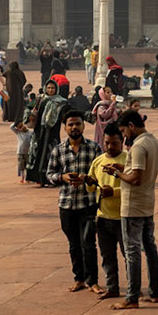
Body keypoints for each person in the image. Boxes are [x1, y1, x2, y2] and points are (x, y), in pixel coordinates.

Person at [109, 109, 158, 307]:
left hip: (133, 204)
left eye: (124, 131)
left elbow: (136, 178)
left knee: (132, 251)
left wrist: (118, 175)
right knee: (150, 247)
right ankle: (154, 291)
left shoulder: (139, 146)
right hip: (147, 202)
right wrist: (123, 170)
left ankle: (132, 297)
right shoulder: (154, 142)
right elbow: (140, 171)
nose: (123, 136)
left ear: (131, 126)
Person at [47, 112, 103, 293]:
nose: (74, 128)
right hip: (67, 204)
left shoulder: (94, 148)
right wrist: (61, 177)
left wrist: (86, 179)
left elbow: (101, 175)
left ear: (83, 126)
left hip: (88, 204)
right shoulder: (58, 150)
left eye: (77, 124)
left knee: (88, 243)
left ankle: (92, 281)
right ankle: (79, 278)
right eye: (70, 124)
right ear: (64, 127)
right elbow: (49, 174)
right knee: (73, 244)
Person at [89, 124, 127, 299]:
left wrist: (113, 192)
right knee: (107, 255)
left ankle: (133, 287)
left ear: (122, 142)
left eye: (114, 143)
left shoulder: (128, 160)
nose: (110, 147)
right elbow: (91, 188)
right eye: (107, 143)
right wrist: (88, 182)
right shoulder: (98, 161)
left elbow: (134, 186)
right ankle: (112, 287)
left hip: (123, 216)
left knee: (129, 255)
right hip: (103, 216)